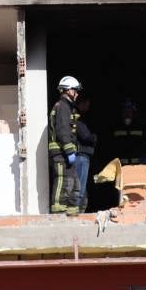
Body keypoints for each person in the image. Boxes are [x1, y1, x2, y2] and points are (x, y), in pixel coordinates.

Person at [48, 75, 82, 215]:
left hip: (66, 152)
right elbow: (63, 130)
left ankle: (71, 209)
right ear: (68, 90)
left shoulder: (67, 107)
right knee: (63, 181)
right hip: (61, 153)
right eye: (75, 90)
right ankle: (58, 208)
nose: (77, 94)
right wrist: (69, 150)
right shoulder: (62, 106)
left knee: (74, 183)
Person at [108, 98, 146, 166]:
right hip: (120, 167)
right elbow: (108, 147)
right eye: (124, 108)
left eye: (129, 108)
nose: (127, 111)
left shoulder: (141, 128)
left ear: (133, 110)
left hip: (137, 167)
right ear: (121, 110)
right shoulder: (114, 128)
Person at [73, 95, 98, 213]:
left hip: (83, 156)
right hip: (81, 156)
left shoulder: (81, 117)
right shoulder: (78, 117)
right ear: (81, 103)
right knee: (80, 189)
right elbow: (86, 136)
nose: (88, 107)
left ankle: (79, 213)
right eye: (87, 104)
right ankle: (75, 214)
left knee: (82, 190)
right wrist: (93, 137)